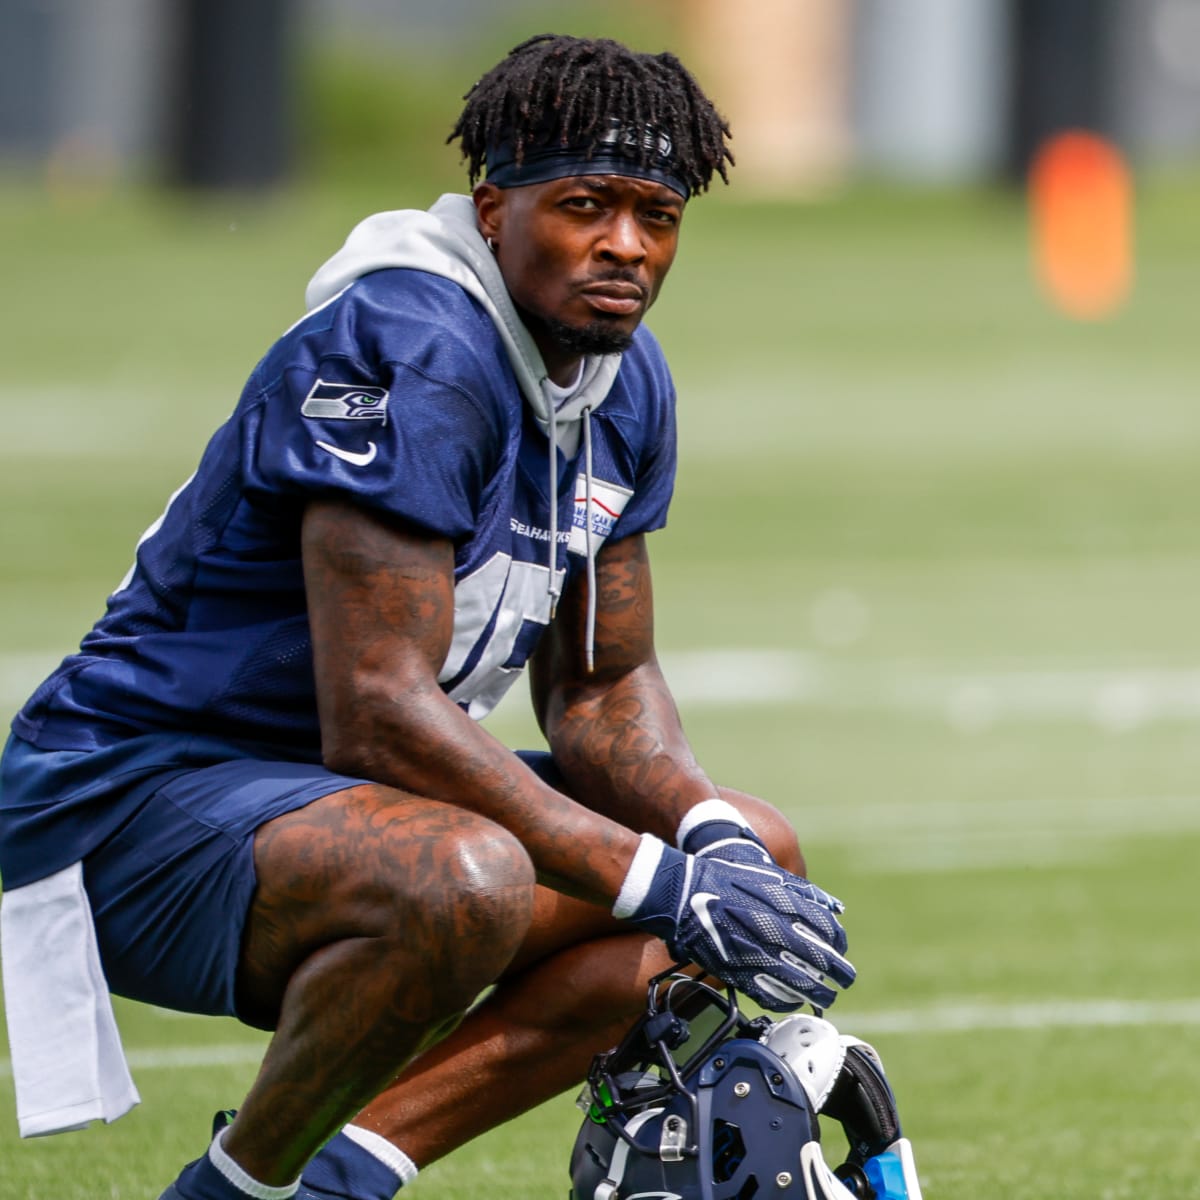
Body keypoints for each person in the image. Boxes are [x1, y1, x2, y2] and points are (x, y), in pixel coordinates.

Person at [0, 32, 855, 1200]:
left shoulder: (620, 377)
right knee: (468, 875)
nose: (625, 246)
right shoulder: (414, 342)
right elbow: (381, 713)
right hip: (127, 796)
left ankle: (340, 1180)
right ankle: (234, 1194)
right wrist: (653, 876)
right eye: (586, 205)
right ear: (492, 205)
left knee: (752, 860)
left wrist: (702, 841)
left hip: (321, 803)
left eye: (656, 214)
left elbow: (603, 684)